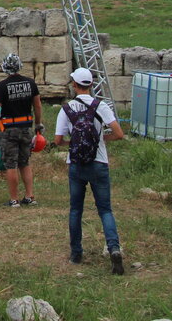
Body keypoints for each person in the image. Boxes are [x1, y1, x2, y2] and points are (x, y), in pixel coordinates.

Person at [54, 67, 124, 274]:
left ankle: (76, 253)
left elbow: (58, 140)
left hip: (76, 164)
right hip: (99, 161)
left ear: (74, 85)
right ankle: (113, 248)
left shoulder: (67, 109)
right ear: (91, 85)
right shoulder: (100, 106)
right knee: (105, 209)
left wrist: (73, 143)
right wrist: (102, 139)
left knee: (76, 209)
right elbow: (119, 134)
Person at [0, 53, 43, 207]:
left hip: (9, 129)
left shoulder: (2, 86)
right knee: (24, 162)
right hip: (27, 128)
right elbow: (37, 106)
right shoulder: (30, 83)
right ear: (20, 66)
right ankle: (30, 196)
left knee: (11, 164)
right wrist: (38, 124)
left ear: (5, 68)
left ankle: (14, 200)